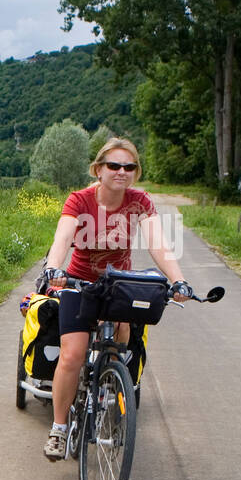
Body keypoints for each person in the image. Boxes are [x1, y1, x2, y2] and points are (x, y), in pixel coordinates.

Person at [38, 138, 192, 460]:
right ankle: (59, 427)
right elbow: (63, 237)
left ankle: (109, 388)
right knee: (72, 355)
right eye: (114, 166)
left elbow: (158, 244)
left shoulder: (139, 201)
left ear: (135, 172)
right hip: (78, 282)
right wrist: (54, 267)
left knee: (120, 346)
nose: (122, 172)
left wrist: (178, 280)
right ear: (98, 169)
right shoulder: (80, 200)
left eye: (129, 167)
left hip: (118, 285)